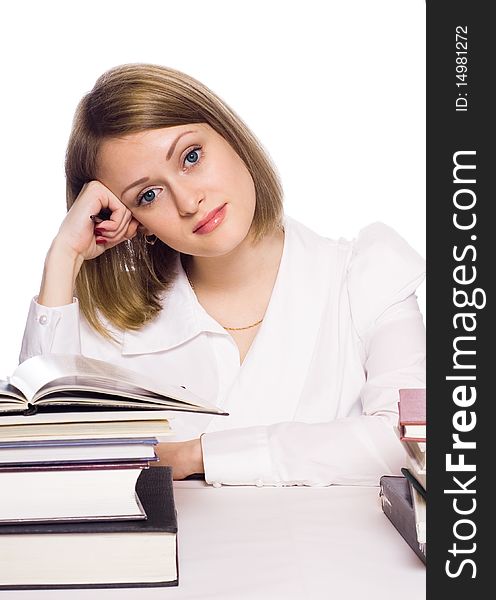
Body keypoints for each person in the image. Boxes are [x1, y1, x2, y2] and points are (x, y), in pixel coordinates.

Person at [20, 63, 425, 487]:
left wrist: (198, 455)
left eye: (191, 157)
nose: (189, 201)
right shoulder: (109, 329)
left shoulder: (367, 275)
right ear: (130, 217)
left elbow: (408, 440)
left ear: (230, 135)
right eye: (148, 194)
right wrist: (63, 259)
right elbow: (43, 466)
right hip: (170, 557)